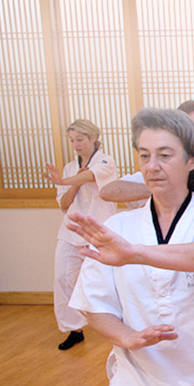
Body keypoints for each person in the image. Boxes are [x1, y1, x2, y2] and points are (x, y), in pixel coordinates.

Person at [68, 108, 194, 386]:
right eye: (144, 156)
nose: (152, 166)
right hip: (137, 380)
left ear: (192, 160)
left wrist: (133, 253)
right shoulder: (118, 227)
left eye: (165, 155)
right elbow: (94, 302)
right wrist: (127, 337)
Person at [43, 119, 118, 350]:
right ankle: (74, 329)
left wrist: (64, 181)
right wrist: (70, 184)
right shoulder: (68, 168)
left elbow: (90, 176)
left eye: (80, 139)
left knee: (107, 282)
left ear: (93, 138)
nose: (76, 144)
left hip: (98, 230)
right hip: (70, 230)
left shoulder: (105, 161)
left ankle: (118, 326)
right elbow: (64, 204)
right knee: (62, 278)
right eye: (72, 140)